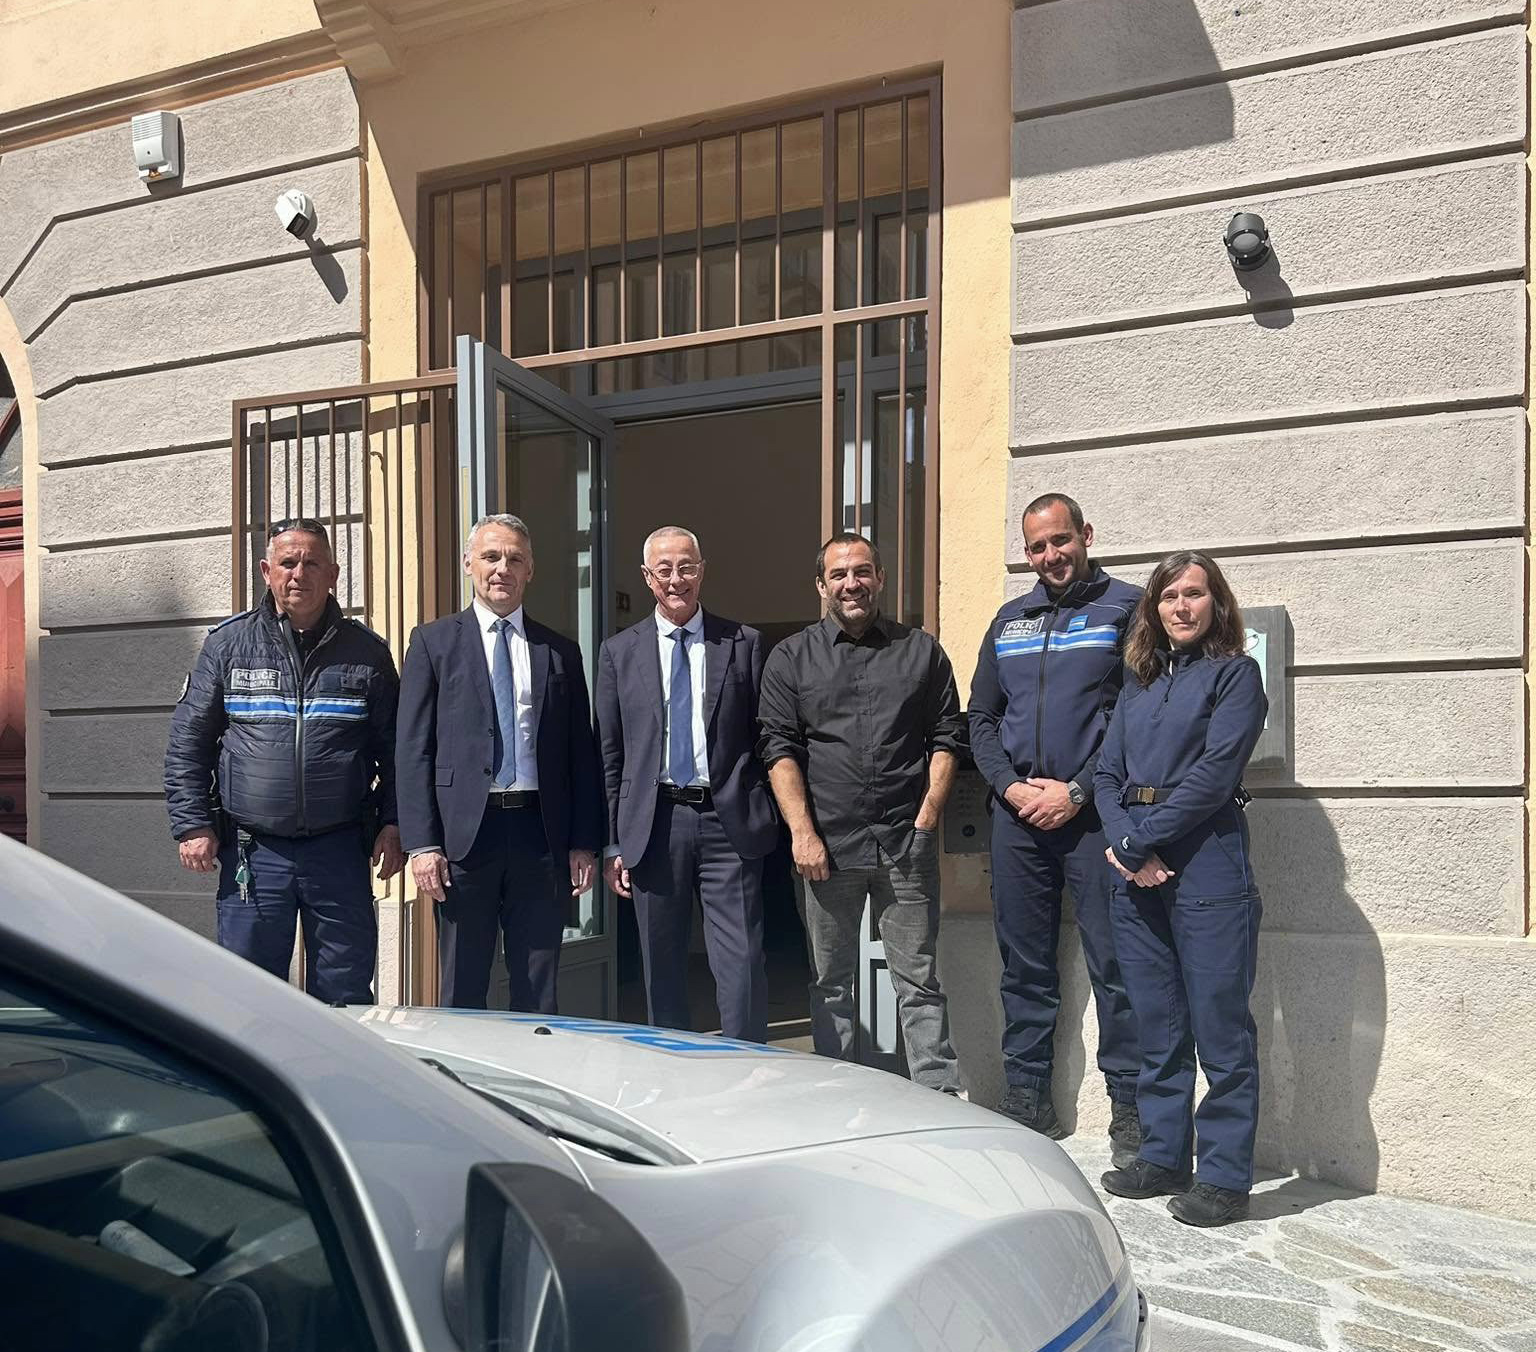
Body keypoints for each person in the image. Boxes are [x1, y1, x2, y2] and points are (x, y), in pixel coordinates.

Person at [1094, 550, 1267, 1228]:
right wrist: (1124, 844)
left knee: (1220, 1025)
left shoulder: (1236, 675)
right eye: (1169, 596)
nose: (1181, 607)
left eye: (1194, 594)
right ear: (1154, 608)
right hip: (1135, 869)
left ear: (1215, 604)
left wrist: (1139, 842)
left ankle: (1223, 1177)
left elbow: (1214, 776)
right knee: (1156, 1020)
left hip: (1207, 863)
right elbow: (1106, 775)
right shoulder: (1136, 684)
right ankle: (1164, 1156)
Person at [968, 493, 1143, 1161]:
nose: (1051, 555)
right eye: (1038, 546)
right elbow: (981, 719)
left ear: (1085, 535)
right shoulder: (1009, 620)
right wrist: (1010, 787)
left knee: (1116, 965)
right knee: (1024, 965)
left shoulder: (1126, 609)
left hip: (1095, 816)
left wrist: (1077, 790)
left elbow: (1135, 716)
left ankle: (1130, 1108)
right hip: (1017, 819)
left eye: (1060, 540)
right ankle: (1027, 1096)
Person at [165, 517, 404, 1002]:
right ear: (266, 571)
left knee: (344, 996)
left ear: (333, 574)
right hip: (254, 853)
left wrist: (395, 823)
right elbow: (188, 743)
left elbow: (398, 751)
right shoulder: (227, 646)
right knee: (248, 997)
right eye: (288, 562)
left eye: (312, 563)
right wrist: (192, 824)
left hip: (339, 851)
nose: (299, 574)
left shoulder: (367, 654)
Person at [758, 532, 963, 1092]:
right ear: (821, 585)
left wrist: (928, 817)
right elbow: (778, 748)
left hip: (905, 841)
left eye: (863, 571)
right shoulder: (791, 657)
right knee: (831, 983)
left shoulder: (921, 651)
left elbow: (947, 736)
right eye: (839, 574)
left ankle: (939, 1095)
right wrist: (802, 833)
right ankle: (838, 1096)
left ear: (881, 578)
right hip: (826, 845)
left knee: (919, 982)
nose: (852, 583)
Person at [396, 513, 603, 1012]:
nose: (502, 569)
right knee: (463, 982)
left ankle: (534, 1062)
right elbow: (412, 749)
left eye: (514, 559)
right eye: (491, 557)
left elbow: (581, 752)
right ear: (469, 563)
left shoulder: (559, 651)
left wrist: (583, 842)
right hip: (464, 838)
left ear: (530, 569)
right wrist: (422, 844)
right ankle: (459, 1066)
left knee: (538, 984)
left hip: (540, 835)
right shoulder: (433, 642)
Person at [596, 527, 776, 1041]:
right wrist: (613, 841)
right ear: (647, 577)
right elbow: (610, 753)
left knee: (741, 961)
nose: (676, 580)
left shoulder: (743, 643)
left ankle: (747, 1064)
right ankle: (671, 1068)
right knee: (662, 963)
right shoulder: (618, 652)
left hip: (728, 821)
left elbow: (767, 738)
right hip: (654, 824)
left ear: (702, 570)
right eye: (665, 569)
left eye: (687, 567)